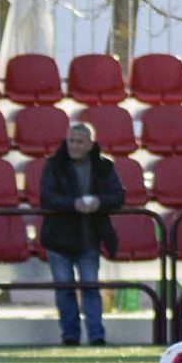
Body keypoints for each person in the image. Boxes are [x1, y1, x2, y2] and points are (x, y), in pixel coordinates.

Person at [40, 122, 125, 346]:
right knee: (65, 290)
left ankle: (96, 336)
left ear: (90, 144)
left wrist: (99, 202)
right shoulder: (54, 165)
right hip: (59, 239)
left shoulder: (104, 166)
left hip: (89, 238)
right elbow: (46, 197)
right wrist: (73, 204)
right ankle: (70, 337)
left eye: (79, 142)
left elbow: (118, 196)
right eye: (71, 141)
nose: (74, 145)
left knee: (90, 287)